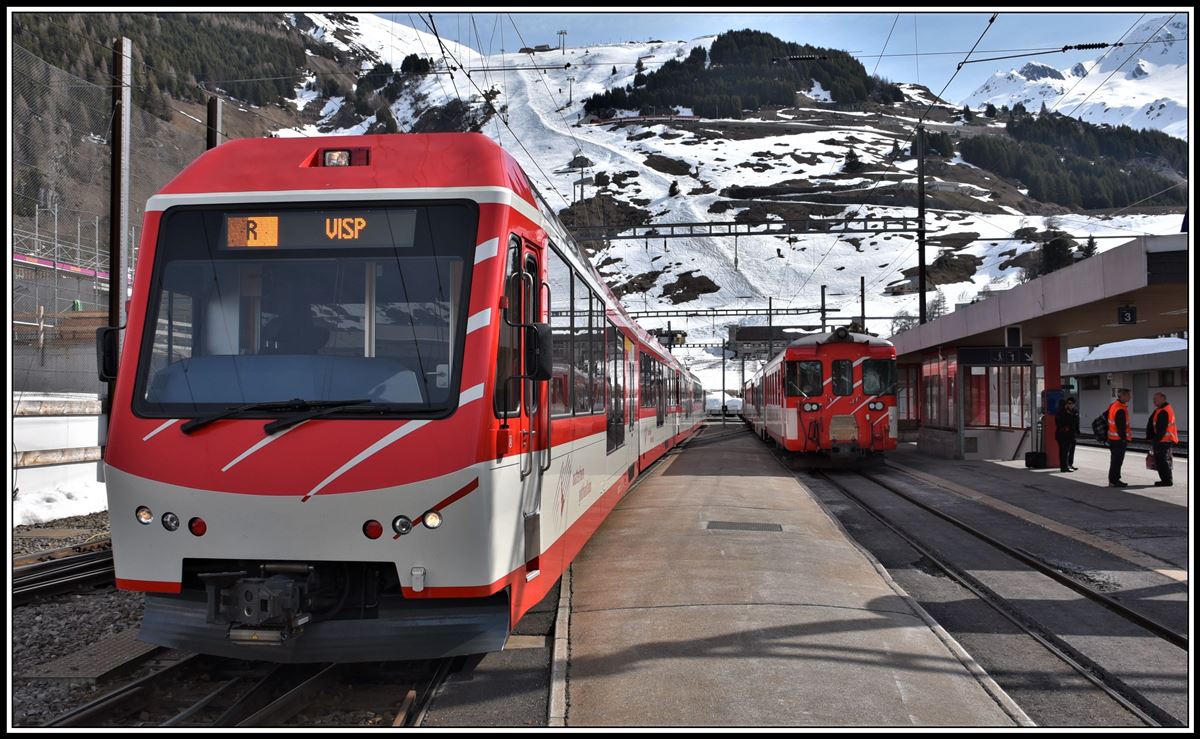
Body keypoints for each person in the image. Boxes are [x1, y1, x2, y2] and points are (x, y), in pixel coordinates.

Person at [1146, 392, 1177, 486]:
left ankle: (1167, 480)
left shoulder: (1164, 411)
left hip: (1163, 440)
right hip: (1163, 440)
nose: (1154, 401)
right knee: (1162, 460)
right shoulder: (1160, 409)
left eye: (1156, 399)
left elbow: (1162, 428)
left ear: (1163, 399)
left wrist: (1156, 440)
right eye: (1153, 399)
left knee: (1161, 460)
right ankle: (1166, 479)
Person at [1106, 388, 1132, 487]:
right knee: (1117, 461)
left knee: (1115, 461)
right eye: (1128, 395)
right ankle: (1114, 480)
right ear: (1123, 396)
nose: (1130, 397)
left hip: (1113, 439)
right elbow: (1121, 426)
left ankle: (1114, 479)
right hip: (1118, 440)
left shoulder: (1114, 406)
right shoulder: (1120, 409)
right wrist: (1124, 438)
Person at [1055, 396, 1080, 472]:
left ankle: (1070, 464)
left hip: (1071, 435)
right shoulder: (1062, 412)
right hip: (1063, 435)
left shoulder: (1075, 412)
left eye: (1072, 404)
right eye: (1069, 403)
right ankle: (1064, 467)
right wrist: (1065, 428)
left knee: (1071, 450)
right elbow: (1058, 423)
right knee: (1064, 451)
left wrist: (1077, 431)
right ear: (1066, 404)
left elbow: (1076, 423)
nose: (1071, 405)